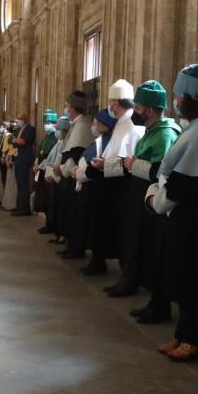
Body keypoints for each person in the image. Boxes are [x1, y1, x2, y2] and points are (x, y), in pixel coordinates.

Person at [145, 64, 198, 363]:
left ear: (191, 96)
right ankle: (183, 333)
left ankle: (194, 339)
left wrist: (158, 197)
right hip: (183, 216)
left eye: (179, 93)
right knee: (179, 274)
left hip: (191, 217)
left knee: (188, 278)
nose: (176, 98)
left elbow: (189, 177)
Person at [116, 81, 181, 325]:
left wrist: (135, 164)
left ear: (150, 111)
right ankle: (153, 300)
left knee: (157, 252)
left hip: (155, 202)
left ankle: (160, 304)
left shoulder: (165, 132)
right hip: (140, 198)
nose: (137, 112)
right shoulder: (151, 131)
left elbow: (162, 171)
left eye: (139, 107)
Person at [82, 80, 144, 275]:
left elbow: (129, 163)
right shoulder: (121, 124)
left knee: (121, 231)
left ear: (116, 103)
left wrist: (104, 165)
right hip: (108, 183)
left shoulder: (133, 125)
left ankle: (126, 274)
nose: (111, 108)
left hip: (120, 187)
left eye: (112, 103)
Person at [76, 108, 118, 275]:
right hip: (90, 184)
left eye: (96, 121)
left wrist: (83, 171)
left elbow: (100, 164)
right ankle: (95, 259)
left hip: (98, 187)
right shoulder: (101, 139)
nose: (93, 124)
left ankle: (98, 261)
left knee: (98, 225)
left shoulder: (110, 141)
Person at [55, 91, 95, 259]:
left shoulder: (82, 125)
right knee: (70, 212)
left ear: (73, 108)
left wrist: (63, 169)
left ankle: (76, 247)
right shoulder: (76, 124)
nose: (66, 109)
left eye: (67, 106)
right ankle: (71, 244)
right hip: (69, 175)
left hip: (75, 177)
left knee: (76, 213)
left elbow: (77, 154)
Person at [40, 116, 70, 240]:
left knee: (60, 208)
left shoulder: (67, 143)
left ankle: (61, 234)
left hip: (61, 177)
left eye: (60, 129)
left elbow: (61, 161)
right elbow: (50, 158)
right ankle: (56, 230)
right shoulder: (59, 142)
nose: (57, 131)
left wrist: (55, 173)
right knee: (52, 205)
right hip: (53, 175)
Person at [34, 110, 60, 224]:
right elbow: (39, 152)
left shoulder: (56, 137)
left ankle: (50, 223)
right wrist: (36, 163)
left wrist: (40, 166)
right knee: (42, 198)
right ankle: (47, 222)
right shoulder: (46, 137)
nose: (46, 125)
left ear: (55, 123)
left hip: (48, 169)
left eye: (49, 122)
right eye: (45, 122)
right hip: (40, 169)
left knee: (49, 197)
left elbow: (50, 156)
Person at [11, 112, 37, 216]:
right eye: (17, 119)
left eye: (20, 119)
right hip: (18, 158)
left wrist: (16, 140)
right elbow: (12, 140)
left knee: (24, 183)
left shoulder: (30, 129)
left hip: (25, 159)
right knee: (19, 183)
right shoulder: (18, 129)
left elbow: (23, 141)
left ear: (25, 119)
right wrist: (15, 140)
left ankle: (25, 209)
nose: (18, 120)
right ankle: (19, 206)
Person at [0, 121, 19, 211]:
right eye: (12, 126)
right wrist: (6, 157)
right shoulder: (10, 136)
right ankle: (8, 203)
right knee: (9, 182)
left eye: (15, 125)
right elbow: (7, 148)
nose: (14, 127)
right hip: (10, 159)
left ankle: (15, 204)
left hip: (17, 159)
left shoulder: (20, 136)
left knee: (15, 184)